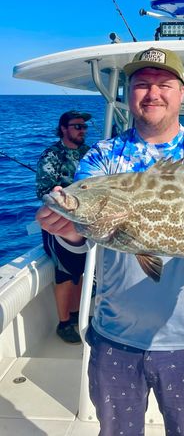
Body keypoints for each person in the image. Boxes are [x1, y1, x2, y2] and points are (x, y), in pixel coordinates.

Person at [36, 48, 184, 435]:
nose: (152, 93)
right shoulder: (103, 157)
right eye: (142, 85)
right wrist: (68, 228)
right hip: (115, 336)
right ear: (129, 93)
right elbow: (85, 229)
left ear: (182, 92)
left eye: (163, 85)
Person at [36, 110, 91, 344]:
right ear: (63, 129)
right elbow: (43, 192)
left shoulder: (89, 154)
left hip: (84, 224)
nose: (82, 130)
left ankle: (78, 314)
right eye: (77, 126)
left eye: (84, 126)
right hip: (60, 225)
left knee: (81, 269)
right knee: (65, 272)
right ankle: (63, 322)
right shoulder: (51, 155)